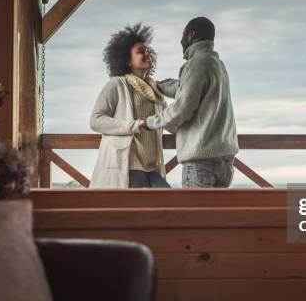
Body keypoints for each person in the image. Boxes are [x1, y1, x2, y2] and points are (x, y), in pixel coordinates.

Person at [138, 17, 239, 188]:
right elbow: (189, 90)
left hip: (201, 163)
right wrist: (160, 86)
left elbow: (182, 108)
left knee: (196, 215)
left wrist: (149, 122)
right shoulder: (217, 65)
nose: (181, 40)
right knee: (216, 214)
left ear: (192, 35)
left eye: (183, 35)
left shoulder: (195, 64)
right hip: (226, 161)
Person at [89, 23, 171, 188]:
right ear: (127, 60)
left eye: (148, 50)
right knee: (145, 211)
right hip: (128, 164)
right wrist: (134, 125)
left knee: (169, 204)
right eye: (141, 51)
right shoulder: (117, 85)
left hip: (152, 165)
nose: (147, 53)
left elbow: (168, 120)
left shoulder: (155, 91)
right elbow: (96, 120)